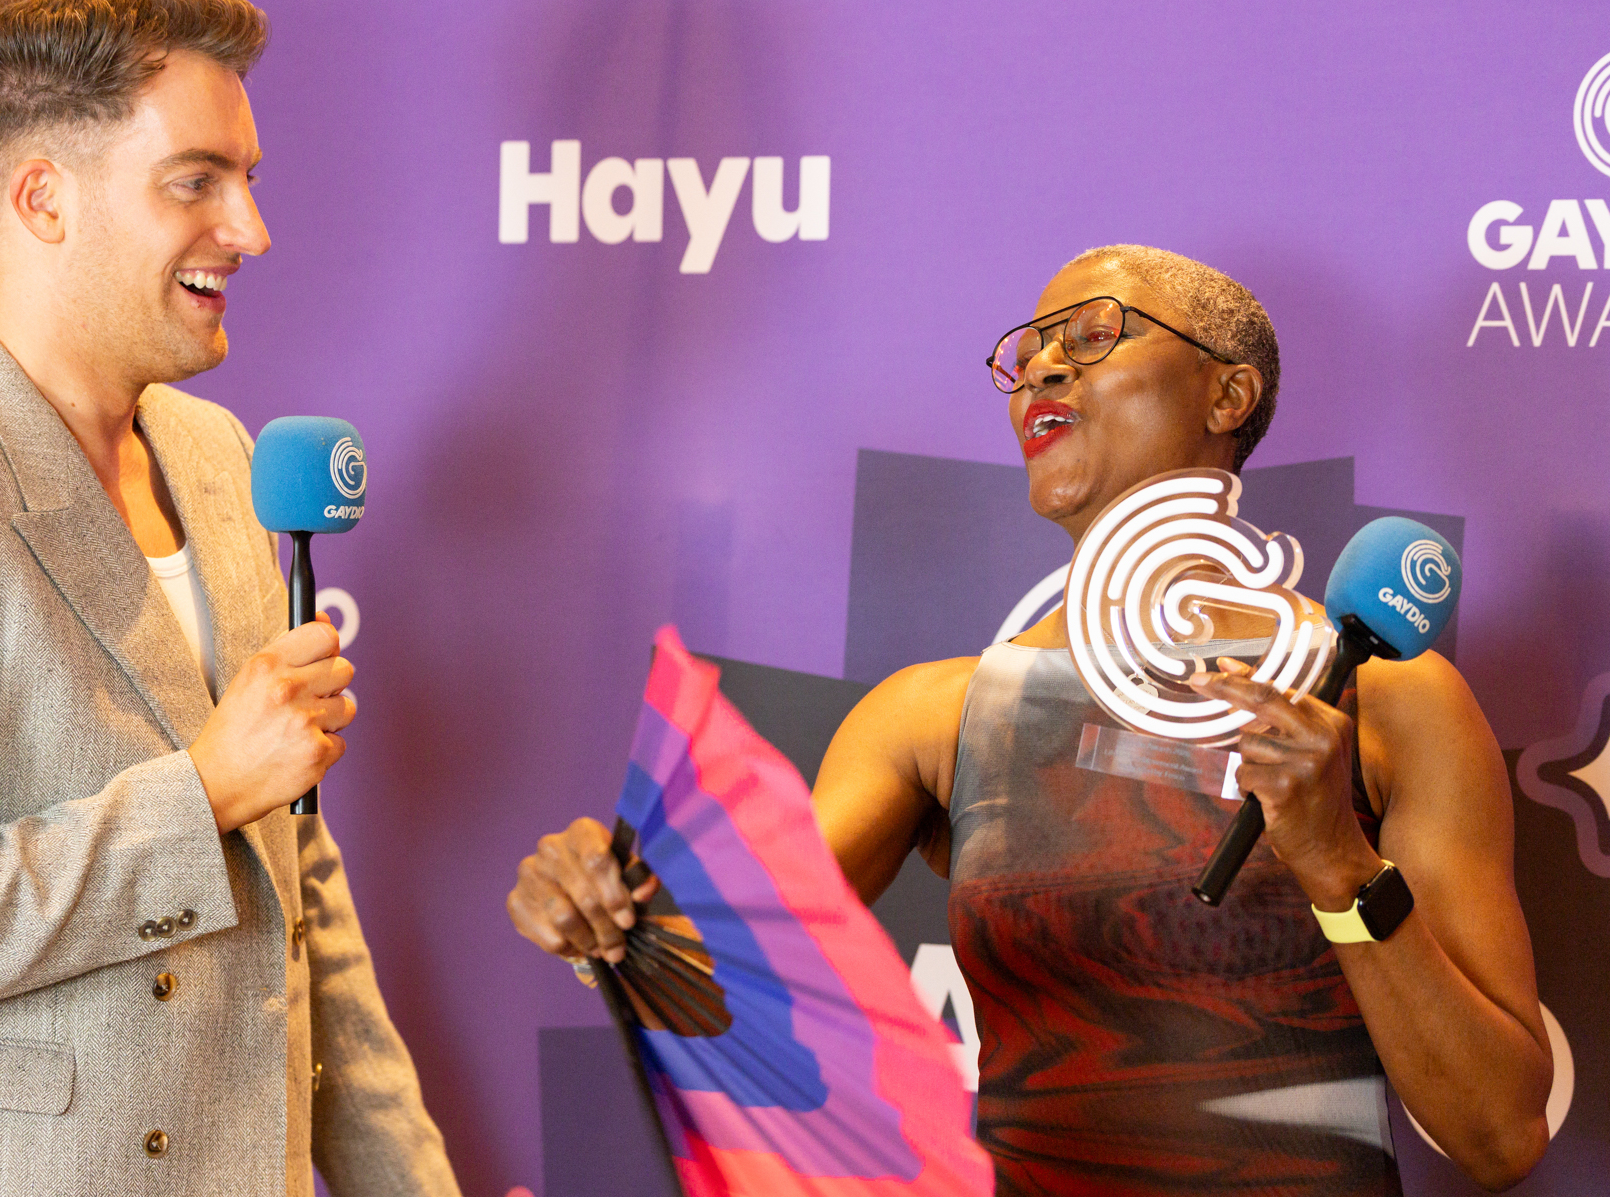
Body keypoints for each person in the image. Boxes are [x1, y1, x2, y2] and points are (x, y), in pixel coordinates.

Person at [507, 246, 1553, 1194]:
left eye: (1094, 334)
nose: (1044, 369)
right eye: (1029, 353)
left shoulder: (1388, 702)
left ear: (1227, 394)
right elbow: (723, 974)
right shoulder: (935, 716)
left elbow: (1499, 1134)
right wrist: (606, 917)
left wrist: (1337, 863)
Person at [0, 0, 459, 1197]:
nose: (250, 229)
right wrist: (202, 795)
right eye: (196, 181)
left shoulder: (217, 457)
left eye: (247, 179)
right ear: (44, 199)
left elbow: (294, 883)